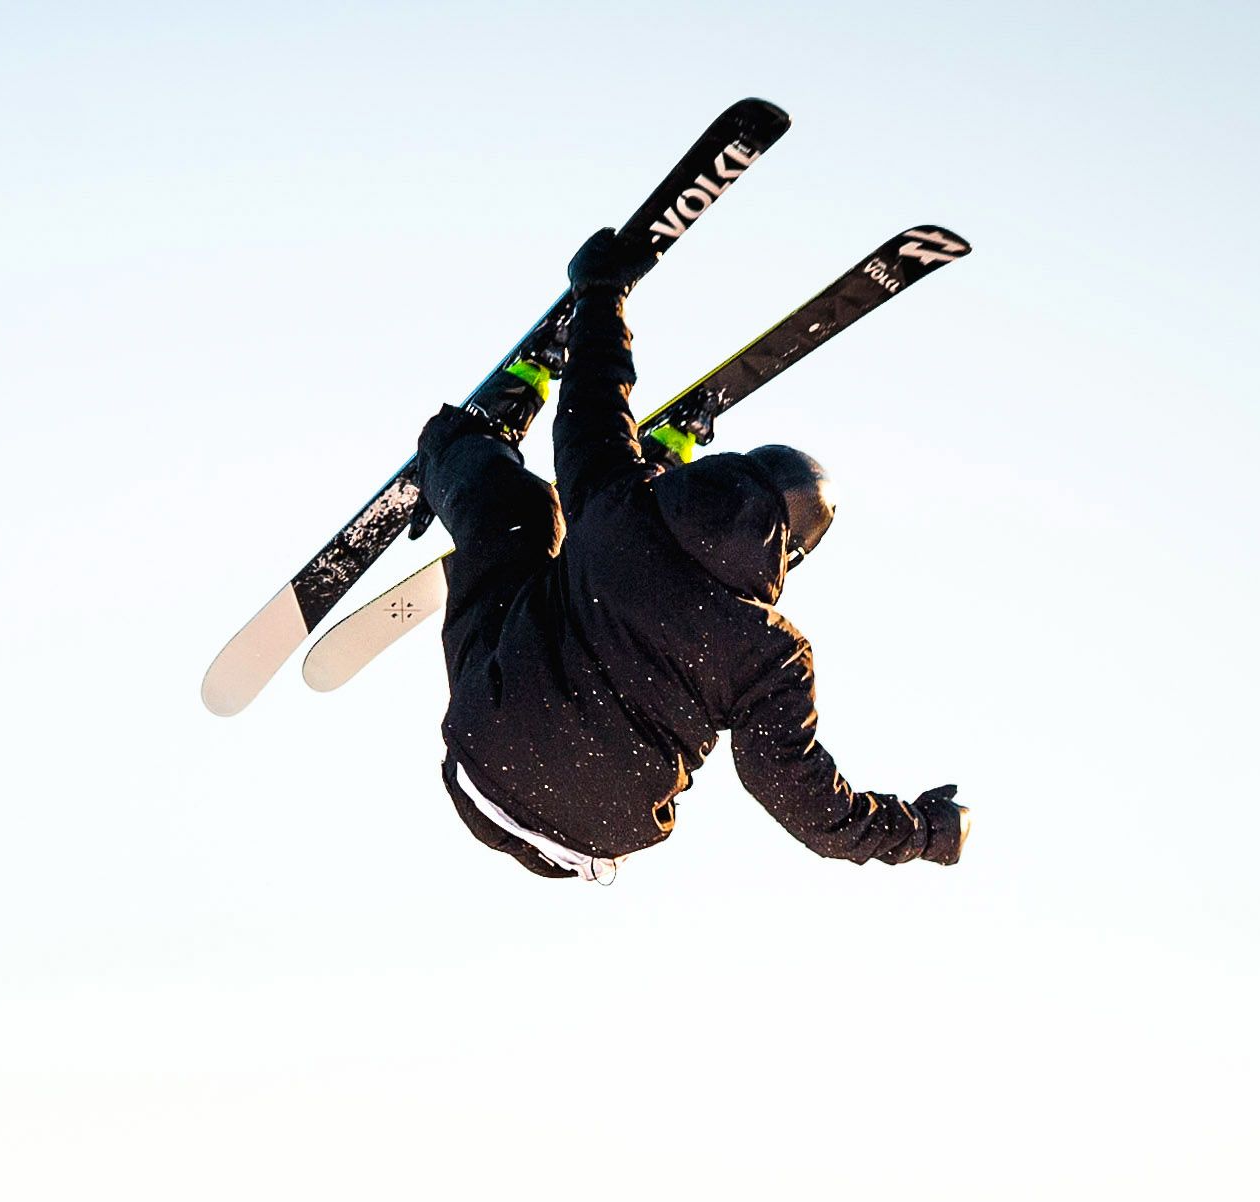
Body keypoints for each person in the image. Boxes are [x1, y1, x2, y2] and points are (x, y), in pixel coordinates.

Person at [414, 228, 967, 882]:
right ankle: (645, 456)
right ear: (789, 556)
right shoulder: (772, 655)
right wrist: (922, 832)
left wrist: (601, 294)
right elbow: (803, 799)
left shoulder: (622, 503)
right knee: (574, 567)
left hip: (487, 756)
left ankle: (458, 450)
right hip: (594, 839)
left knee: (522, 520)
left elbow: (595, 396)